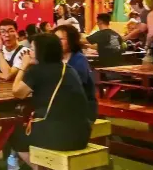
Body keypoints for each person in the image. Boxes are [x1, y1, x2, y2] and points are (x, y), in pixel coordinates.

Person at [9, 33, 91, 169]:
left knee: (16, 135)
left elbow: (17, 92)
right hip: (82, 135)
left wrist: (23, 65)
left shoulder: (37, 71)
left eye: (33, 49)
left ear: (42, 52)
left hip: (60, 137)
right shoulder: (68, 69)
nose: (30, 52)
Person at [53, 25, 97, 122]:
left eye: (61, 39)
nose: (57, 42)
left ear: (71, 41)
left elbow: (73, 88)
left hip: (81, 111)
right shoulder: (55, 60)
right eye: (55, 39)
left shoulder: (79, 59)